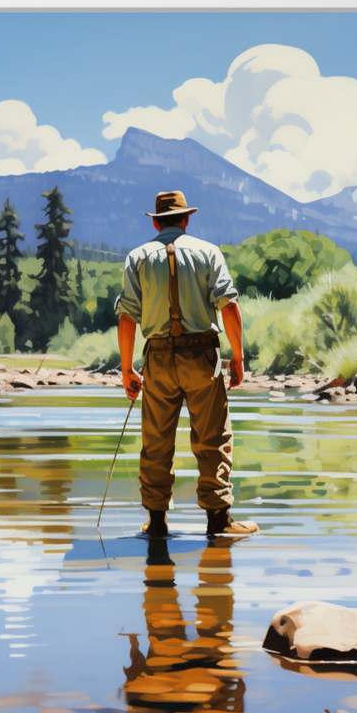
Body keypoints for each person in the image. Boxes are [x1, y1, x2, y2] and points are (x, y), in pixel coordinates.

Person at [115, 191, 259, 539]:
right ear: (186, 219)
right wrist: (237, 358)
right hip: (201, 356)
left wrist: (127, 369)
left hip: (158, 359)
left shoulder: (137, 257)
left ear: (154, 221)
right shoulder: (208, 252)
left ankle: (157, 522)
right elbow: (229, 307)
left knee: (156, 442)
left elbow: (126, 318)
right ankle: (218, 521)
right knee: (213, 439)